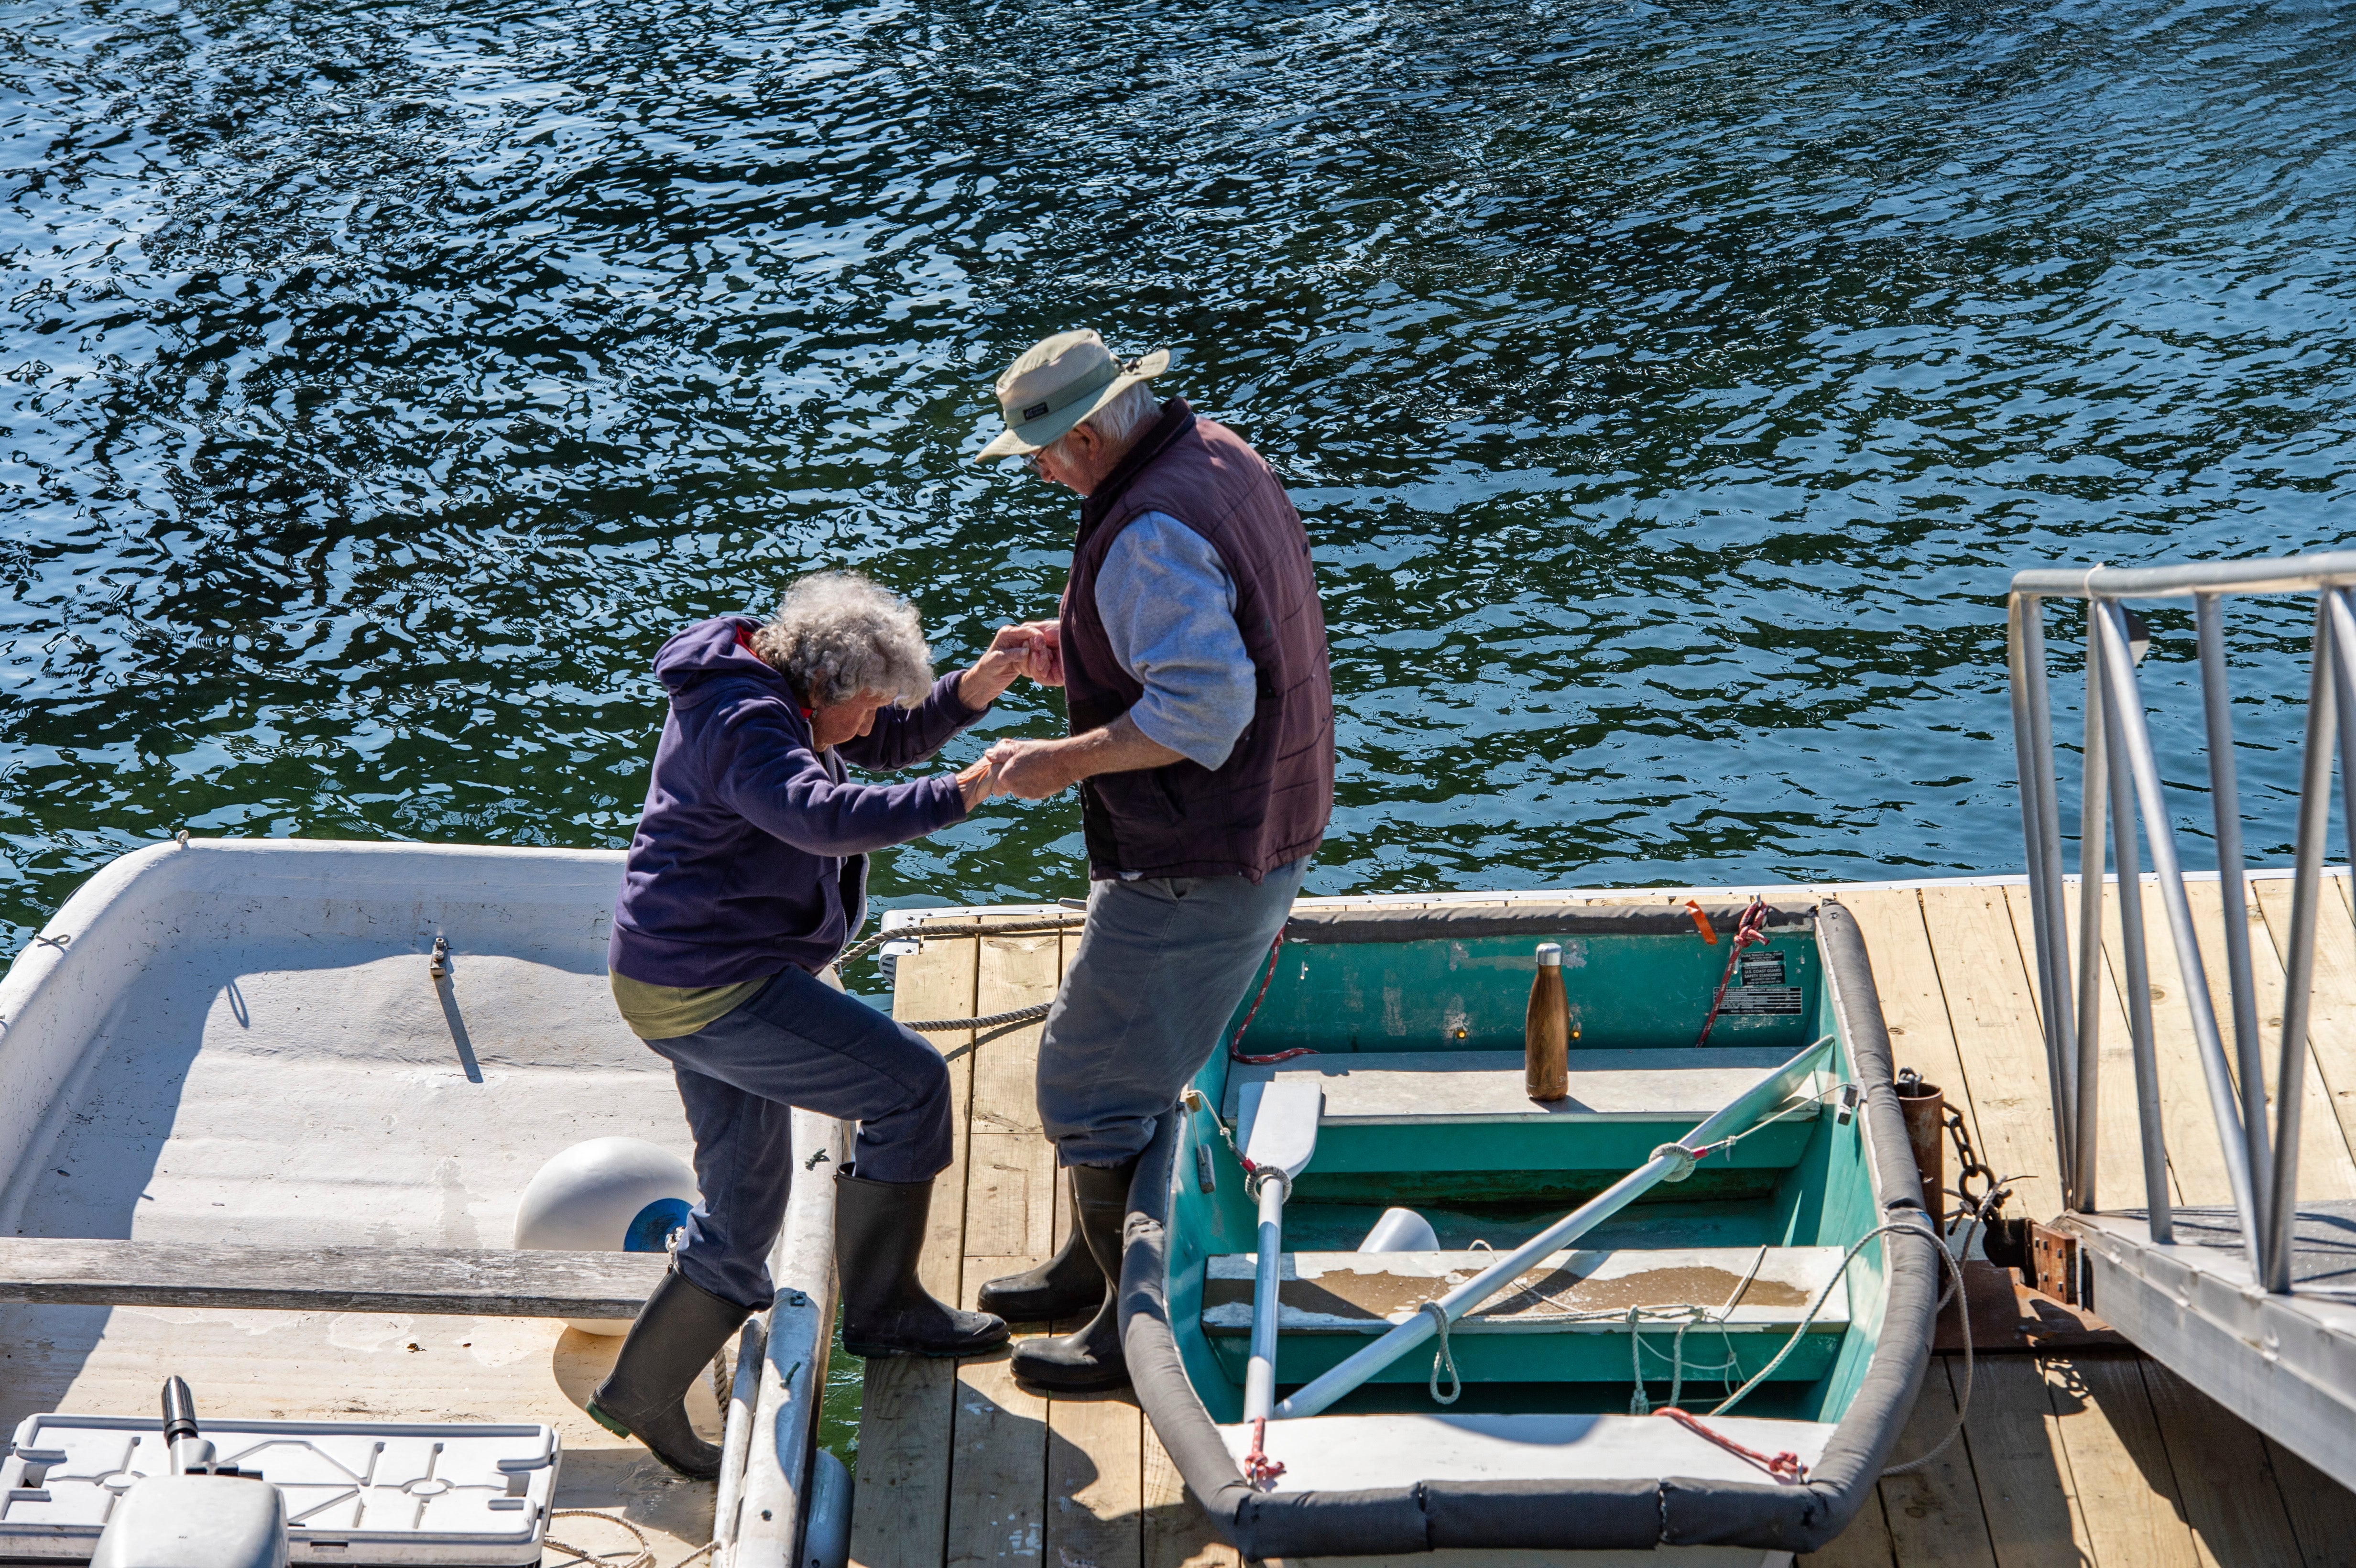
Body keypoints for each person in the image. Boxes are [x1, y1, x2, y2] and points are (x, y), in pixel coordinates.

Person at [589, 571, 1045, 1478]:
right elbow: (824, 816)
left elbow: (875, 743)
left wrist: (978, 685)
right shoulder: (745, 724)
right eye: (868, 707)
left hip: (677, 973)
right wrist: (967, 792)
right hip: (715, 987)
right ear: (827, 689)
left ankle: (638, 1396)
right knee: (910, 1084)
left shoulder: (778, 684)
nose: (876, 726)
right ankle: (887, 1313)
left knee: (746, 1207)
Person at [971, 330, 1335, 1393]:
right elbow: (1223, 628)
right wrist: (1079, 643)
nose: (1036, 469)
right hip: (1267, 814)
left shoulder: (1144, 532)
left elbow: (1203, 709)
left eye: (1040, 450)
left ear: (1085, 434)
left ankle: (1130, 1332)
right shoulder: (1215, 451)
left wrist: (1057, 760)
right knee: (1113, 1065)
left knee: (1088, 1085)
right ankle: (1094, 1273)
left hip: (1203, 850)